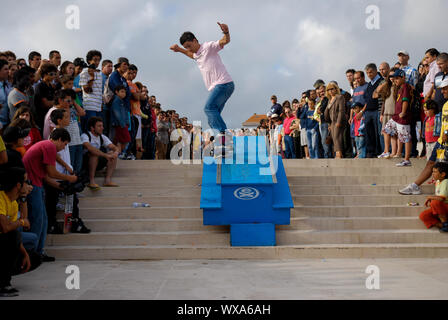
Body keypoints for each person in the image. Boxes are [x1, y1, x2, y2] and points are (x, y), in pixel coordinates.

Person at [170, 22, 235, 154]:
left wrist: (226, 32)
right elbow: (191, 55)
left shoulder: (208, 46)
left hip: (223, 84)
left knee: (208, 108)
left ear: (195, 40)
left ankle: (225, 140)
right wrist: (179, 50)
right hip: (221, 87)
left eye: (189, 45)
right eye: (186, 47)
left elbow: (224, 41)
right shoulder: (195, 54)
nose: (189, 49)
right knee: (213, 117)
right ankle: (221, 145)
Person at [23, 128, 77, 262]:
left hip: (37, 184)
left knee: (44, 219)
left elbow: (46, 176)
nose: (63, 148)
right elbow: (52, 173)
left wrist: (62, 187)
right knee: (38, 219)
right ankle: (32, 253)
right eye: (64, 144)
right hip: (32, 185)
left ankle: (39, 251)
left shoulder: (45, 146)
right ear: (59, 140)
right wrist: (69, 178)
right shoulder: (49, 146)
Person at [399, 77, 448, 195]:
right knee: (431, 163)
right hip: (442, 142)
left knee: (442, 169)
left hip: (445, 141)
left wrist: (446, 133)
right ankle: (415, 185)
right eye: (441, 89)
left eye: (445, 89)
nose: (442, 91)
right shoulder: (446, 105)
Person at [0, 167, 37, 297]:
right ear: (18, 185)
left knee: (35, 258)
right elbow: (5, 227)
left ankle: (5, 279)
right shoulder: (1, 198)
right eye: (26, 182)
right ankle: (3, 284)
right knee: (13, 236)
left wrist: (24, 253)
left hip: (5, 240)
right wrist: (21, 222)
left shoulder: (13, 202)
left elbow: (24, 221)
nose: (28, 185)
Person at [81, 116, 119, 190]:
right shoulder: (85, 136)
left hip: (98, 161)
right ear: (92, 128)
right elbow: (90, 148)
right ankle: (91, 181)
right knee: (94, 154)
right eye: (99, 126)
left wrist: (116, 152)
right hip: (85, 162)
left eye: (102, 126)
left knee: (112, 153)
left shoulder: (102, 136)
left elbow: (114, 147)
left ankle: (107, 180)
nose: (102, 128)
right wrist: (105, 155)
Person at [357, 63, 384, 157]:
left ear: (376, 71)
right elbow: (367, 100)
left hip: (377, 110)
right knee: (369, 132)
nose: (369, 75)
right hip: (368, 112)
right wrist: (362, 112)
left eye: (371, 72)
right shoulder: (369, 85)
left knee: (378, 133)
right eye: (367, 73)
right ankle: (371, 152)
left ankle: (379, 151)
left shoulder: (381, 81)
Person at [419, 162, 448, 232]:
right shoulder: (438, 182)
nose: (432, 174)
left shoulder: (446, 182)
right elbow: (438, 196)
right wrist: (431, 199)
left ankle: (445, 223)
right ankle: (442, 225)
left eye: (435, 172)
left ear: (443, 174)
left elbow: (441, 198)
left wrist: (430, 198)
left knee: (435, 202)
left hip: (446, 206)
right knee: (423, 215)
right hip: (442, 208)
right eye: (432, 172)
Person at [325, 82, 346, 158]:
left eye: (332, 89)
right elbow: (328, 113)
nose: (330, 91)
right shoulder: (329, 100)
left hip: (338, 120)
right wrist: (329, 124)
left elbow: (341, 110)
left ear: (335, 89)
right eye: (328, 89)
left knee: (337, 137)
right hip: (332, 122)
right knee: (334, 138)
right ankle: (337, 153)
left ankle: (339, 153)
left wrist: (339, 121)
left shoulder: (340, 97)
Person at [34, 63, 57, 131]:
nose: (53, 76)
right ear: (44, 74)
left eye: (55, 74)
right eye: (51, 74)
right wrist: (56, 102)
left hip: (50, 116)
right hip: (41, 117)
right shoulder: (40, 86)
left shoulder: (51, 86)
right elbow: (46, 104)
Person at [110, 85, 131, 155]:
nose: (123, 94)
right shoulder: (116, 101)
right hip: (119, 124)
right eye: (122, 92)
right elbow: (117, 113)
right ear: (116, 92)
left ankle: (117, 153)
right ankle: (118, 153)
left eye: (124, 92)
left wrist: (127, 122)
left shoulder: (122, 101)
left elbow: (125, 113)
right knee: (126, 139)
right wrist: (122, 124)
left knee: (119, 141)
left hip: (123, 124)